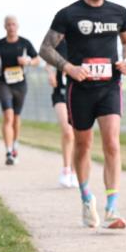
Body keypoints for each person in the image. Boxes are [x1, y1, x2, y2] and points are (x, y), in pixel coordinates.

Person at [40, 0, 126, 232]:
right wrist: (68, 67)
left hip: (109, 87)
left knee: (112, 143)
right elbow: (45, 48)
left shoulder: (119, 12)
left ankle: (112, 206)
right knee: (82, 145)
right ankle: (85, 198)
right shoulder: (68, 14)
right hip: (79, 89)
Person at [0, 15, 40, 165]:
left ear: (17, 26)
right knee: (8, 116)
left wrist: (28, 61)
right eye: (8, 24)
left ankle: (15, 143)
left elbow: (37, 59)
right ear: (5, 26)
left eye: (13, 24)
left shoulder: (25, 43)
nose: (11, 27)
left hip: (20, 83)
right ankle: (8, 151)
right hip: (3, 82)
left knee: (16, 118)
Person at [47, 38, 78, 188]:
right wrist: (50, 73)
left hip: (78, 91)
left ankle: (74, 170)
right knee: (67, 131)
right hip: (60, 92)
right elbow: (48, 59)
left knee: (77, 133)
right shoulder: (59, 43)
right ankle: (66, 169)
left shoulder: (83, 40)